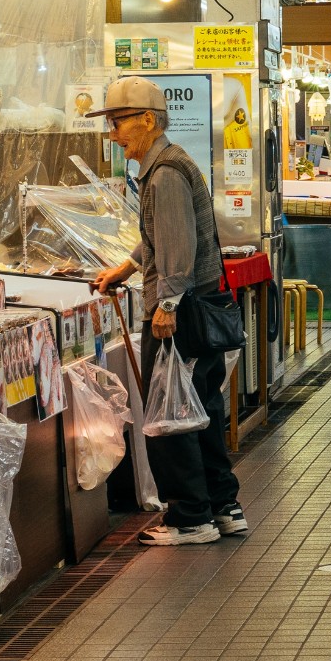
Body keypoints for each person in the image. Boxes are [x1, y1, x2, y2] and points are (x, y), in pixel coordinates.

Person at [89, 77, 248, 547]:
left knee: (171, 414)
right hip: (196, 308)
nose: (114, 134)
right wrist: (127, 266)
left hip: (182, 315)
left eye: (118, 123)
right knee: (201, 409)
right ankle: (223, 507)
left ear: (148, 120)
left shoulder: (165, 172)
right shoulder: (165, 168)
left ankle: (189, 518)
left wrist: (166, 306)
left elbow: (178, 250)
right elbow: (161, 234)